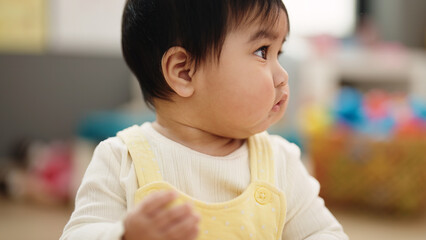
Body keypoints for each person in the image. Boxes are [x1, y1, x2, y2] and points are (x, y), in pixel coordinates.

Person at [61, 0, 348, 239]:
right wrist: (124, 234)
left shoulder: (279, 162)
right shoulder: (122, 159)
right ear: (184, 71)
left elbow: (323, 232)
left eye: (279, 53)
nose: (282, 75)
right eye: (263, 52)